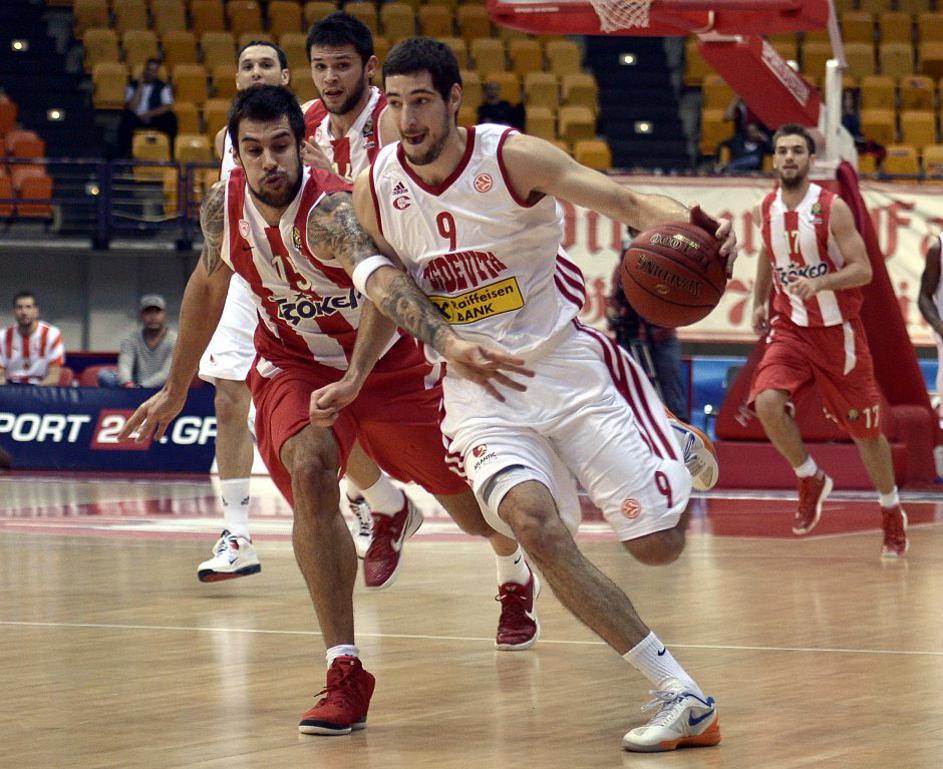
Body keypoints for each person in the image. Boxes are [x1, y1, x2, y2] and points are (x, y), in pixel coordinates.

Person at [339, 37, 730, 752]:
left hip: (567, 367)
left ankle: (672, 444)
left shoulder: (511, 158)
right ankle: (680, 693)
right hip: (478, 391)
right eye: (394, 104)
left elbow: (625, 201)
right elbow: (386, 290)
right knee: (533, 525)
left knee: (657, 547)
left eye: (421, 101)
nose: (407, 119)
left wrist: (691, 230)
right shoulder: (376, 187)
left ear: (454, 99)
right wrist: (359, 372)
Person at [118, 85, 538, 735]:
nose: (269, 162)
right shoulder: (222, 207)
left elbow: (387, 289)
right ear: (237, 154)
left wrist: (360, 373)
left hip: (384, 364)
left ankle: (511, 567)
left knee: (468, 507)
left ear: (301, 143)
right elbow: (207, 284)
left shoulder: (335, 212)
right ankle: (345, 667)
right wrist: (176, 387)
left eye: (280, 146)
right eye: (253, 150)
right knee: (312, 467)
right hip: (294, 363)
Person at [750, 123, 907, 558]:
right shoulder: (766, 207)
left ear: (810, 160)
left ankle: (891, 509)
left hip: (839, 333)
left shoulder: (831, 208)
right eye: (782, 151)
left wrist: (820, 284)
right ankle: (810, 477)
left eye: (796, 151)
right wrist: (759, 301)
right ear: (774, 158)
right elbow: (767, 252)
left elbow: (863, 270)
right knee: (766, 402)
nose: (788, 157)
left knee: (865, 432)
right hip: (790, 327)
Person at [608, 236, 686, 419]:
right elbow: (613, 302)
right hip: (631, 337)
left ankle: (678, 430)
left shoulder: (665, 265)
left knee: (672, 395)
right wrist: (614, 315)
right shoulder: (622, 270)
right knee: (633, 393)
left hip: (662, 336)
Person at [99, 294, 176, 388]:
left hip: (162, 388)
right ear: (141, 315)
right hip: (134, 386)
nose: (153, 317)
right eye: (148, 312)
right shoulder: (131, 339)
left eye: (157, 312)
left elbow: (167, 372)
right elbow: (125, 364)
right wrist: (127, 383)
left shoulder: (175, 340)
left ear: (165, 315)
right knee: (105, 375)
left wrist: (142, 387)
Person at [116, 58, 178, 159]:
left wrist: (149, 114)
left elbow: (167, 106)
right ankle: (124, 155)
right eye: (149, 70)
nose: (150, 73)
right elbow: (132, 107)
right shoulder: (132, 85)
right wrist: (140, 87)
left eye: (153, 71)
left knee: (171, 117)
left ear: (157, 73)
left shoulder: (163, 87)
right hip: (136, 118)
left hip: (153, 118)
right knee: (126, 117)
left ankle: (170, 153)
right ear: (145, 70)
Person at [0, 291, 65, 386]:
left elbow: (54, 377)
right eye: (19, 307)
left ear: (36, 311)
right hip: (10, 389)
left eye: (28, 307)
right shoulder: (3, 336)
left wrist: (33, 393)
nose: (24, 312)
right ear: (13, 312)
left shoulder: (52, 335)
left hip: (41, 389)